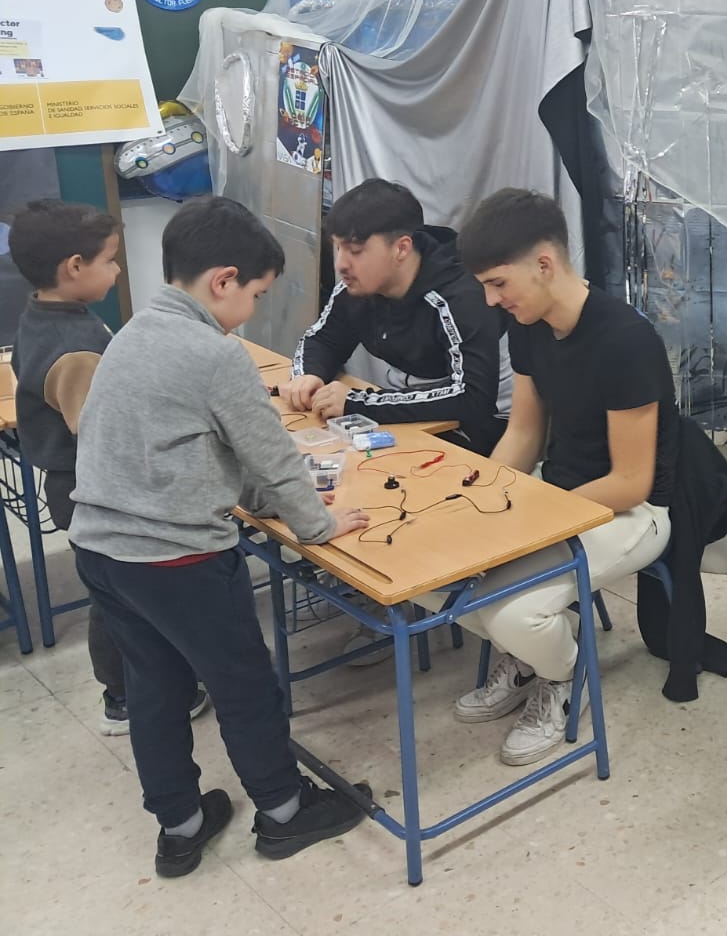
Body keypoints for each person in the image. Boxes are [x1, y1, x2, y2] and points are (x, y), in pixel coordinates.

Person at [68, 196, 371, 878]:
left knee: (155, 685)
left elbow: (182, 447)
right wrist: (321, 526)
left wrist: (251, 493)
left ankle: (179, 826)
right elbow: (274, 460)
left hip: (100, 551)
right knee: (244, 685)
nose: (252, 311)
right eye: (256, 295)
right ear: (223, 281)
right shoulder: (216, 354)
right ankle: (286, 812)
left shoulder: (133, 331)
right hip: (178, 559)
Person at [424, 188, 677, 767]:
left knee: (511, 611)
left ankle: (563, 678)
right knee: (439, 582)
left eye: (497, 284)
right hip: (557, 495)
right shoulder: (530, 325)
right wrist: (481, 497)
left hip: (631, 514)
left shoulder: (626, 341)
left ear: (544, 265)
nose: (490, 301)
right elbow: (523, 434)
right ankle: (532, 656)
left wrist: (531, 515)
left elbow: (632, 482)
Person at [8, 201, 213, 737]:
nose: (118, 270)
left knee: (117, 591)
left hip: (78, 483)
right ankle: (122, 695)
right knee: (120, 595)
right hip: (91, 489)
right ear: (74, 267)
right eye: (110, 261)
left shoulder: (46, 315)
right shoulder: (73, 348)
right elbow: (102, 431)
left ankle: (132, 683)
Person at [280, 179, 505, 455]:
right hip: (411, 411)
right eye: (338, 248)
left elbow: (473, 397)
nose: (340, 264)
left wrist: (357, 403)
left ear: (401, 248)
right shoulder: (359, 286)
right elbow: (324, 339)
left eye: (355, 251)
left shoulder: (460, 296)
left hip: (483, 428)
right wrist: (308, 376)